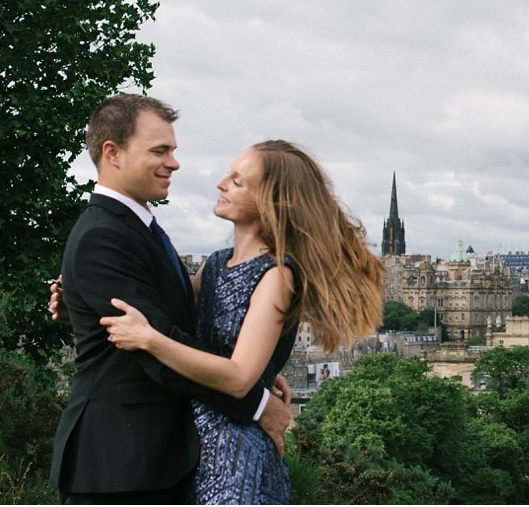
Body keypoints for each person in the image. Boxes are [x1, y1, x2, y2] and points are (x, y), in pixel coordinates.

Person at [101, 139, 385, 504]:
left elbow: (237, 378)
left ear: (269, 201)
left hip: (237, 459)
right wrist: (81, 298)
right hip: (196, 448)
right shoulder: (217, 264)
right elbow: (171, 319)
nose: (221, 183)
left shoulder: (276, 275)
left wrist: (149, 339)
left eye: (237, 181)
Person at [50, 94, 292, 504]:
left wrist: (258, 366)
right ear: (113, 153)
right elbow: (157, 348)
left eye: (173, 151)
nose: (174, 163)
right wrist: (256, 402)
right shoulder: (102, 237)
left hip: (151, 461)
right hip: (118, 467)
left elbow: (178, 321)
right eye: (160, 151)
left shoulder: (135, 227)